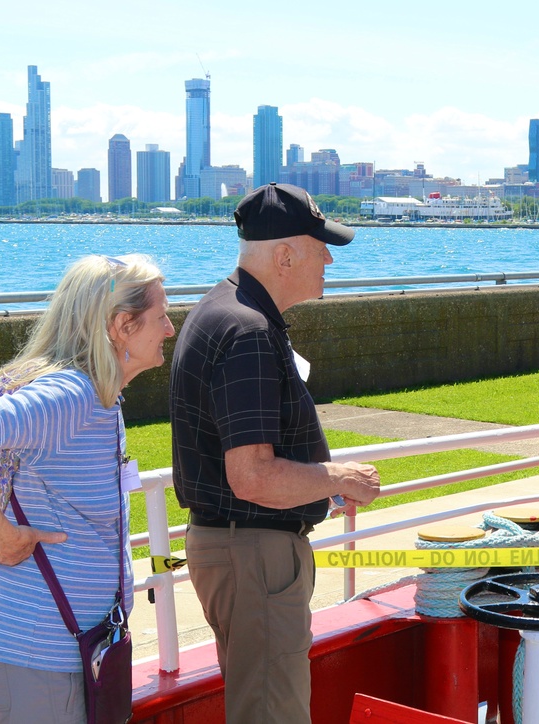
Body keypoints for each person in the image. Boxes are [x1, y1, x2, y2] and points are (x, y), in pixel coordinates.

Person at [0, 254, 174, 723]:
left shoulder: (100, 398)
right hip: (42, 665)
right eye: (161, 316)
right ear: (121, 326)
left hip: (69, 658)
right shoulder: (73, 395)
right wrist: (1, 534)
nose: (170, 329)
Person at [169, 182, 381, 724]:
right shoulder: (248, 330)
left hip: (242, 550)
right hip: (254, 555)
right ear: (284, 254)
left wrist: (315, 485)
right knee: (272, 712)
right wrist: (337, 477)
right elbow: (254, 477)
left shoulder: (225, 310)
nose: (330, 258)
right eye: (320, 246)